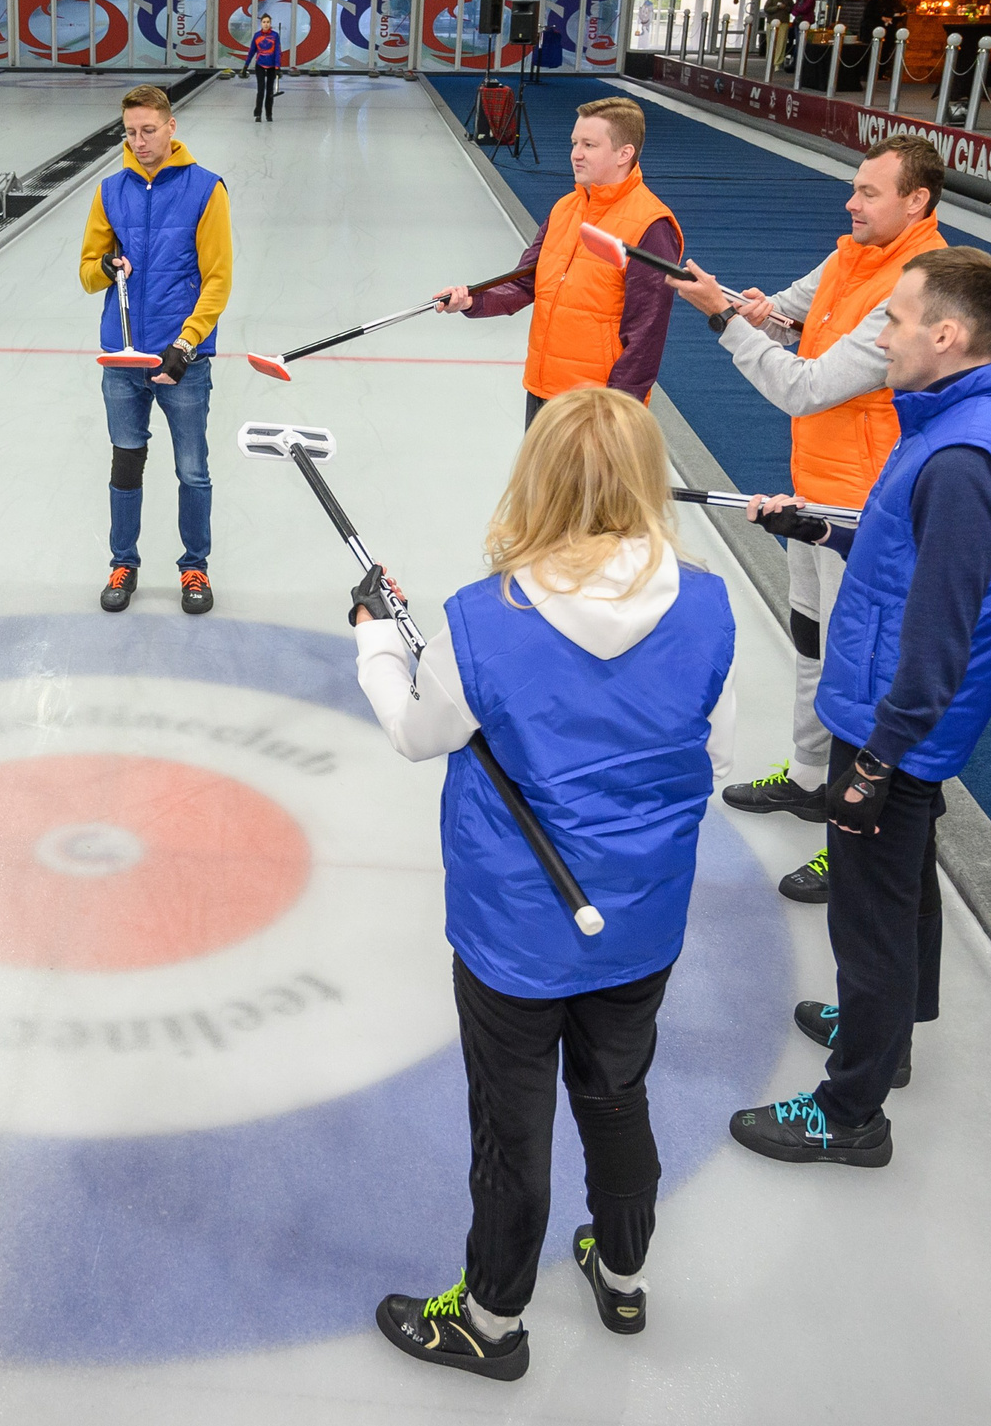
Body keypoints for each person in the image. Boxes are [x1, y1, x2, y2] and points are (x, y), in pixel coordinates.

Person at [357, 388, 735, 1379]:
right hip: (641, 916)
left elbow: (415, 731)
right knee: (617, 1093)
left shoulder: (483, 619)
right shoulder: (707, 604)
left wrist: (375, 637)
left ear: (537, 480)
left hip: (515, 931)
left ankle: (490, 1320)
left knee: (512, 1124)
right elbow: (716, 751)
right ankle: (622, 1271)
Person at [728, 247, 991, 1167]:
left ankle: (851, 1110)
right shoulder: (966, 422)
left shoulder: (962, 458)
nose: (883, 337)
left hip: (890, 722)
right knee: (903, 887)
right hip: (895, 715)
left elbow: (944, 625)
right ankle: (890, 1030)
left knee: (867, 916)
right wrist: (818, 525)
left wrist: (878, 756)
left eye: (896, 321)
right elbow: (907, 552)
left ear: (946, 335)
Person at [671, 134, 949, 902]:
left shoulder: (920, 283)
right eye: (855, 187)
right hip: (817, 488)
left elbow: (808, 386)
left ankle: (855, 835)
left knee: (860, 673)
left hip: (868, 509)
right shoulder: (850, 256)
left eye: (868, 192)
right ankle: (808, 777)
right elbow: (784, 316)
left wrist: (724, 321)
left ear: (916, 201)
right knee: (811, 642)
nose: (850, 202)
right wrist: (743, 307)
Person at [81, 83, 232, 616]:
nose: (139, 141)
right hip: (123, 360)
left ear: (172, 127)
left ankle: (195, 567)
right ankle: (123, 563)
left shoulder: (206, 189)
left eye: (148, 130)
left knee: (192, 470)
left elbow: (218, 280)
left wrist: (186, 344)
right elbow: (87, 273)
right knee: (126, 464)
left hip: (182, 360)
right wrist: (105, 267)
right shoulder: (109, 191)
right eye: (130, 132)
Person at [438, 96, 680, 425]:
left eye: (589, 145)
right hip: (543, 389)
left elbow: (646, 334)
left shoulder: (651, 226)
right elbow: (524, 282)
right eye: (574, 143)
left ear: (624, 154)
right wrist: (471, 300)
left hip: (596, 405)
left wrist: (619, 409)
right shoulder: (565, 209)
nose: (575, 154)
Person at [248, 12, 283, 121]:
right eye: (264, 22)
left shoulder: (275, 36)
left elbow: (278, 52)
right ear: (261, 23)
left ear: (270, 23)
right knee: (261, 90)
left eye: (268, 22)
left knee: (270, 91)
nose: (266, 24)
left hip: (272, 67)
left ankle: (269, 114)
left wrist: (277, 67)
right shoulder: (257, 35)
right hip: (260, 65)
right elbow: (251, 51)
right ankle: (258, 114)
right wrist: (245, 66)